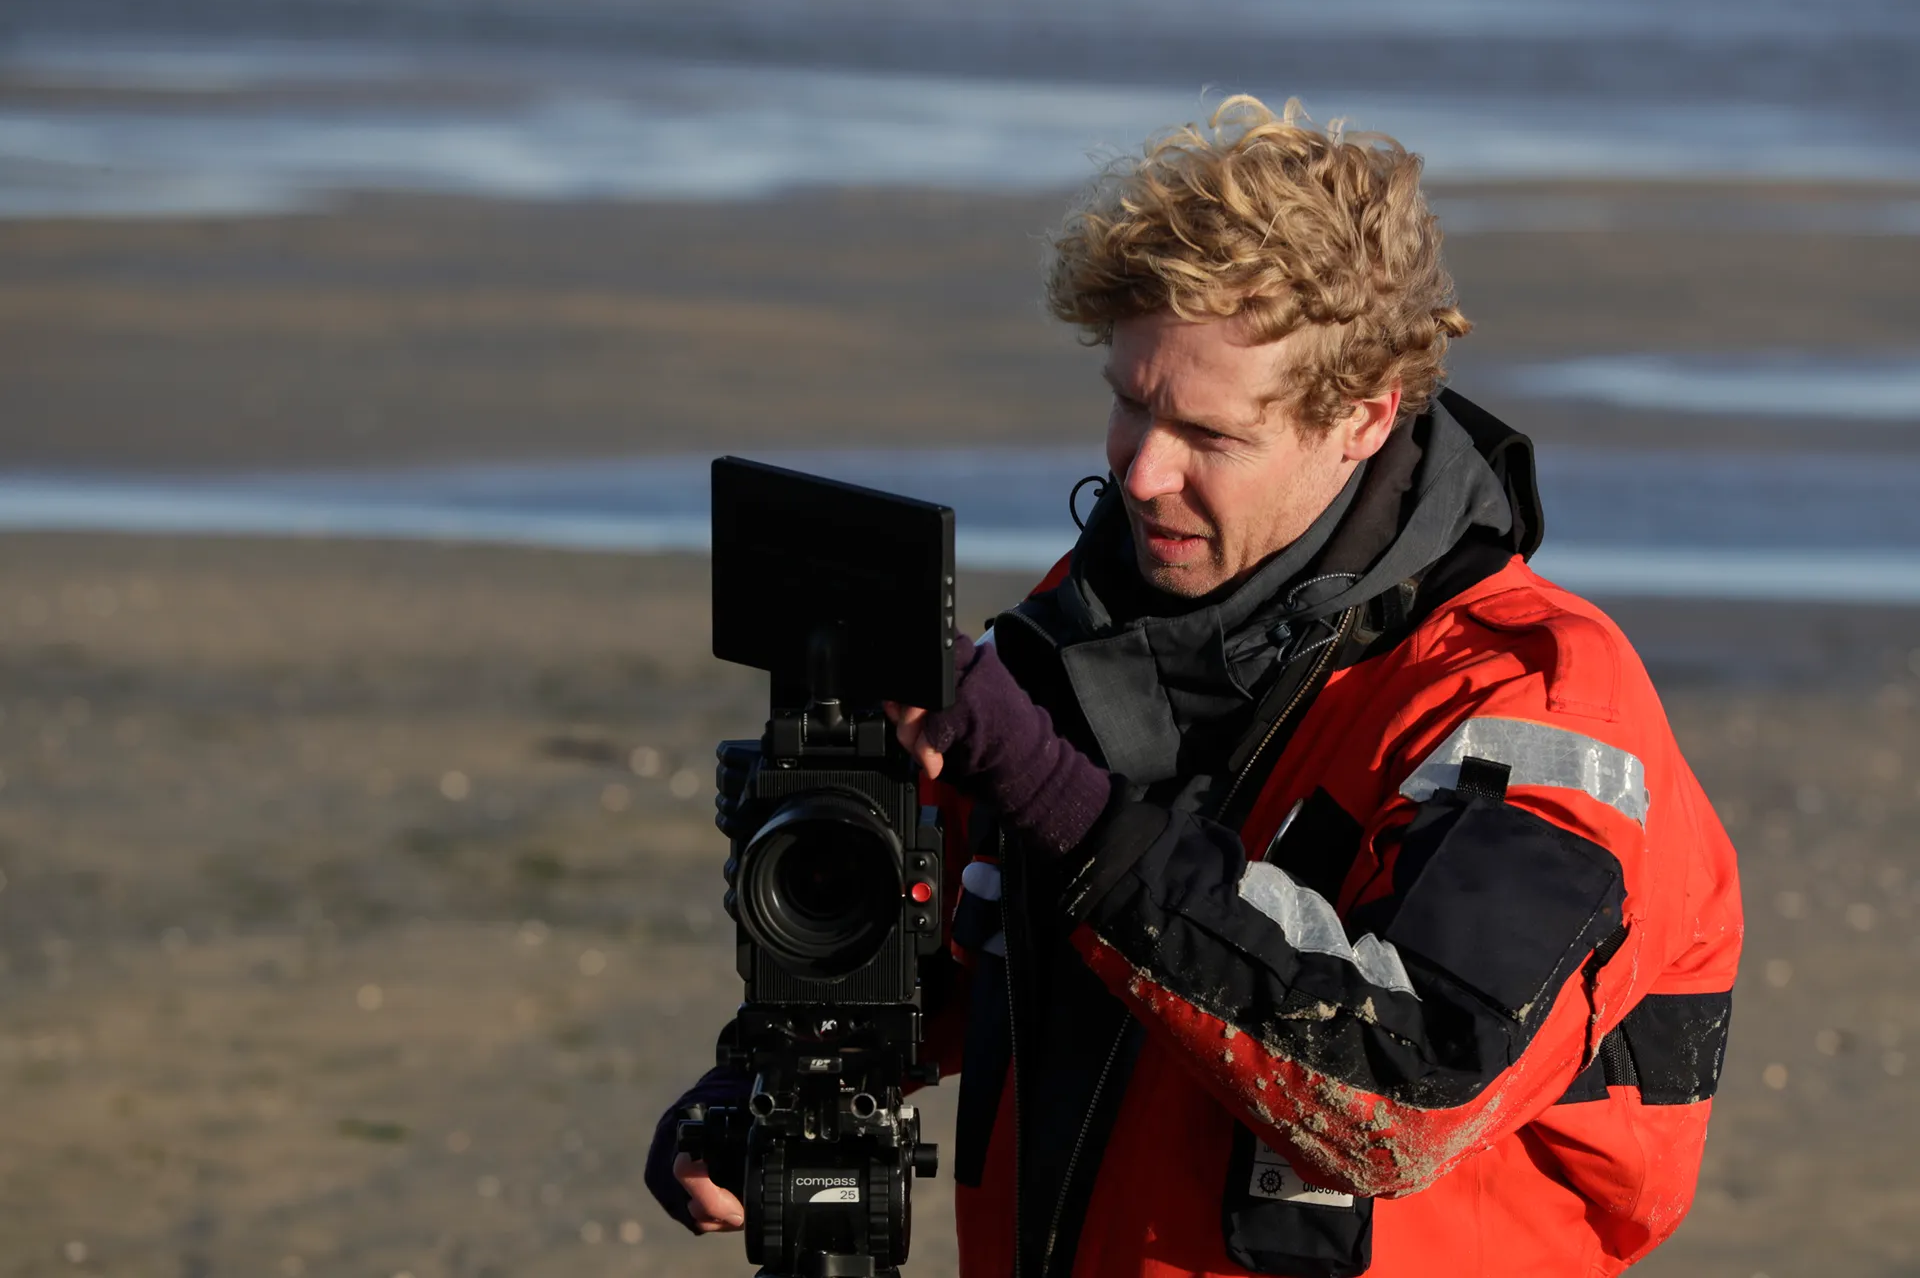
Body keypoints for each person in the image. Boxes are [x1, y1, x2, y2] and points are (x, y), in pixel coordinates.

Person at [647, 94, 1742, 1278]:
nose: (1143, 470)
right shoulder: (1087, 632)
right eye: (1131, 400)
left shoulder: (1533, 696)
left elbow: (1406, 1087)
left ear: (1364, 417)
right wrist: (780, 1073)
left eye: (1208, 435)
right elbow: (943, 953)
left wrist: (1063, 802)